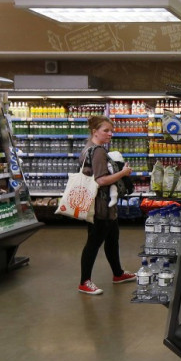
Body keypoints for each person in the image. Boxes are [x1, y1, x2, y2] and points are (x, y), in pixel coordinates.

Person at [78, 116, 136, 295]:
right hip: (100, 206)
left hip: (104, 206)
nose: (110, 134)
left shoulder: (88, 148)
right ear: (95, 131)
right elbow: (101, 179)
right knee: (93, 243)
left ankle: (118, 273)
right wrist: (124, 172)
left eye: (111, 130)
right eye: (106, 130)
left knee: (112, 239)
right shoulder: (98, 152)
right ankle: (84, 282)